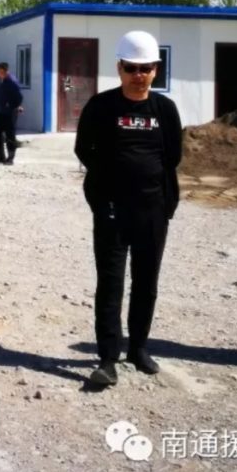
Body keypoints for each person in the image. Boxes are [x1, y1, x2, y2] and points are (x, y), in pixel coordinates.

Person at [74, 30, 182, 388]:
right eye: (132, 68)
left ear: (156, 70)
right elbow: (83, 149)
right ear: (119, 68)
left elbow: (173, 157)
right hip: (112, 211)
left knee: (146, 282)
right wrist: (106, 187)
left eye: (146, 68)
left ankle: (138, 348)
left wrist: (163, 202)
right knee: (111, 284)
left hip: (153, 211)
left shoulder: (164, 110)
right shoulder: (102, 107)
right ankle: (107, 358)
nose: (139, 75)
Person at [0, 62, 23, 164]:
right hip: (1, 111)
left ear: (3, 71)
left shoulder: (11, 81)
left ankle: (10, 158)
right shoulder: (3, 80)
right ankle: (0, 157)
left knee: (10, 135)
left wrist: (12, 106)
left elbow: (19, 97)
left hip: (10, 112)